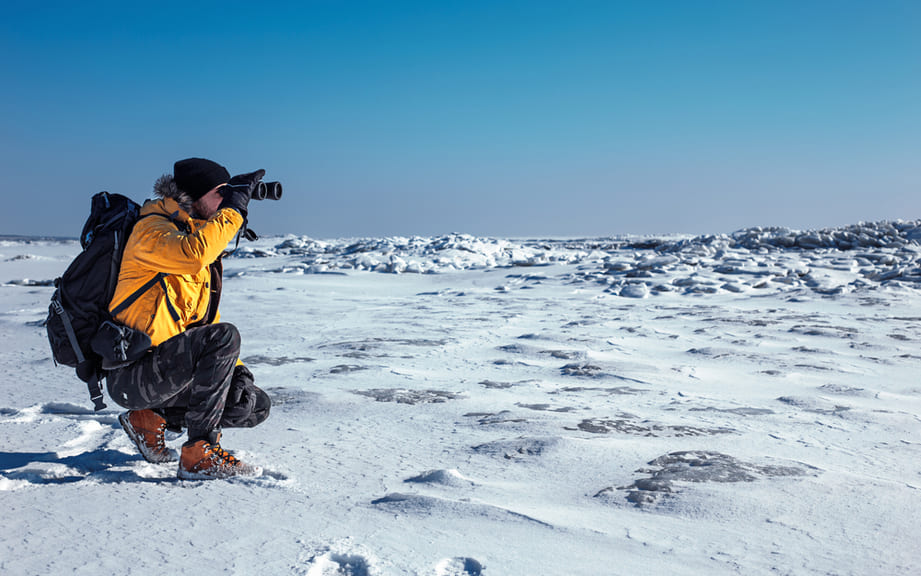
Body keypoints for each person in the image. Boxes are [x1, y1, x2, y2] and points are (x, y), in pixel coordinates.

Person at [106, 158, 271, 480]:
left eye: (230, 195)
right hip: (131, 373)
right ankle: (199, 454)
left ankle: (147, 418)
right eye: (220, 194)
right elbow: (195, 254)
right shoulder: (151, 231)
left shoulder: (192, 237)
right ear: (193, 196)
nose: (226, 202)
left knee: (251, 403)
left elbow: (204, 322)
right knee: (224, 336)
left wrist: (238, 374)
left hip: (166, 373)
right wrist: (235, 208)